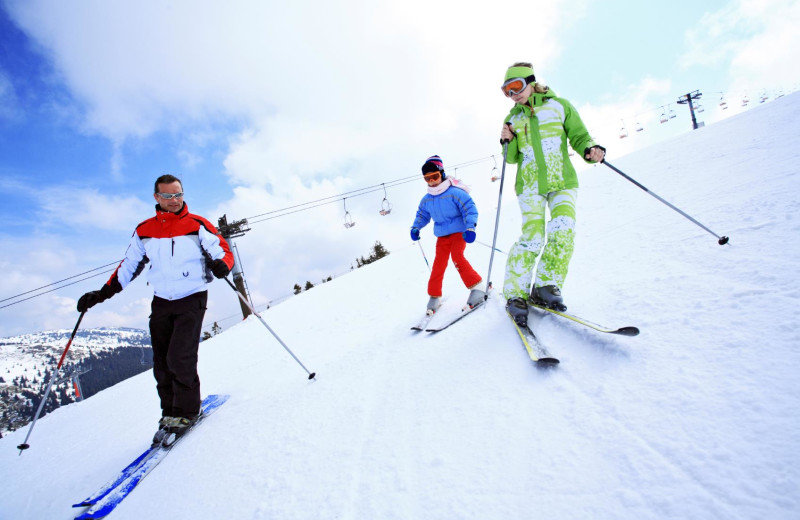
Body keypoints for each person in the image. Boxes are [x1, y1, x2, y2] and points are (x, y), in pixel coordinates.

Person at [76, 174, 234, 442]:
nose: (175, 200)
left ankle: (187, 411)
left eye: (179, 194)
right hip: (162, 300)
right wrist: (100, 294)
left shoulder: (197, 225)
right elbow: (128, 266)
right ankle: (170, 412)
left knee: (179, 358)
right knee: (161, 363)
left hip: (191, 296)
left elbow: (223, 251)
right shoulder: (145, 230)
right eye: (169, 196)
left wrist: (223, 265)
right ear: (157, 197)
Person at [498, 62, 605, 325]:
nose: (513, 95)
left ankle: (546, 286)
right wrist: (507, 141)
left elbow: (580, 137)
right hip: (530, 184)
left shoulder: (560, 106)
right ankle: (516, 294)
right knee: (532, 237)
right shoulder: (512, 119)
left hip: (562, 181)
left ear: (531, 81)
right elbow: (510, 159)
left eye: (516, 87)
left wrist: (591, 150)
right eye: (507, 91)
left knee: (563, 229)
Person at [410, 155, 485, 314]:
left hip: (459, 232)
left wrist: (470, 227)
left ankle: (477, 287)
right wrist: (416, 227)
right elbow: (422, 215)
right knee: (439, 264)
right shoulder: (427, 199)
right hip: (442, 236)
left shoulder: (455, 192)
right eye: (427, 179)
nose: (432, 182)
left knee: (457, 256)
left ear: (442, 173)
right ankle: (435, 296)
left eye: (434, 176)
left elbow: (469, 208)